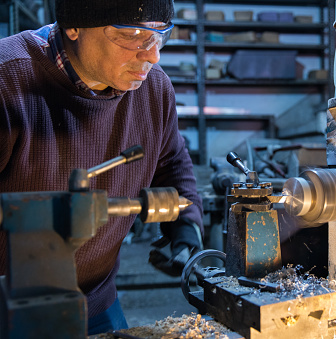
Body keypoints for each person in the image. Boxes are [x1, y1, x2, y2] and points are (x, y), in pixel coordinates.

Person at [0, 0, 203, 335]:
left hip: (96, 301)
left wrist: (185, 223)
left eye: (158, 37)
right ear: (74, 27)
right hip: (10, 305)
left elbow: (170, 161)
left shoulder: (153, 89)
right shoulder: (9, 80)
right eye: (132, 35)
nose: (152, 56)